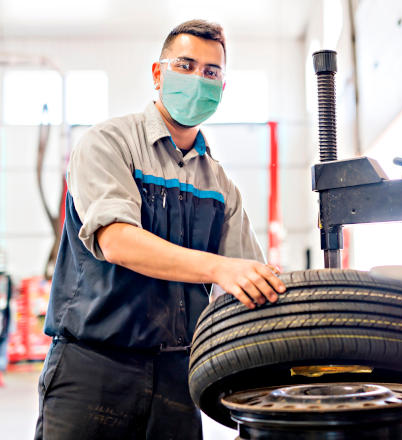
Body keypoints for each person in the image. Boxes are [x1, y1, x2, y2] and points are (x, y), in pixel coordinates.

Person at [34, 19, 286, 440]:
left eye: (211, 72)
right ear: (158, 73)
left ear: (222, 88)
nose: (198, 79)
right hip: (94, 367)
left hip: (178, 377)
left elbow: (244, 283)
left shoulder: (220, 186)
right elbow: (117, 241)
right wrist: (220, 268)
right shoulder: (108, 143)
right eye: (185, 65)